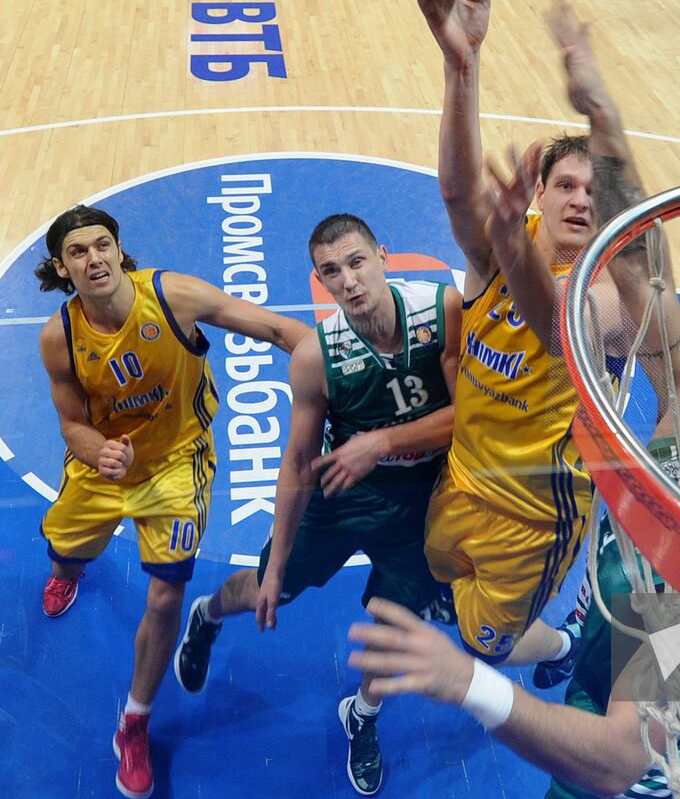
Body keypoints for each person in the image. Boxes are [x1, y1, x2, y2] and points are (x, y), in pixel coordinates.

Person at [346, 2, 680, 798]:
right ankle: (565, 637)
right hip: (528, 553)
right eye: (565, 186)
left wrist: (466, 684)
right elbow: (648, 271)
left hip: (645, 771)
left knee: (515, 674)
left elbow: (619, 760)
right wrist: (603, 111)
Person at [169, 213, 461, 796]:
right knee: (262, 587)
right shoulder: (317, 356)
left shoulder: (442, 309)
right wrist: (276, 565)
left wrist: (381, 442)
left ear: (383, 254)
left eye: (356, 263)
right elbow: (299, 464)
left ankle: (363, 714)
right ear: (320, 280)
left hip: (423, 500)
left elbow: (473, 420)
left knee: (395, 623)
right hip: (342, 496)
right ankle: (207, 613)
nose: (349, 281)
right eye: (332, 272)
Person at [35, 204, 309, 799]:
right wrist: (97, 450)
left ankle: (133, 721)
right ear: (62, 268)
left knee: (165, 596)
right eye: (78, 252)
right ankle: (68, 569)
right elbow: (71, 424)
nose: (94, 259)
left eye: (102, 245)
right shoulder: (59, 337)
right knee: (65, 552)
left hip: (176, 465)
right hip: (103, 465)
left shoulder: (171, 296)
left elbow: (278, 330)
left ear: (118, 250)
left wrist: (341, 363)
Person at [402, 0, 631, 673]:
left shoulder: (612, 291)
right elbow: (455, 190)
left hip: (535, 520)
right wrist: (459, 64)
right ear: (540, 192)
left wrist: (505, 245)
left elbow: (557, 324)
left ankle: (563, 644)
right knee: (439, 576)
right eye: (566, 184)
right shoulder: (509, 238)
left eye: (594, 191)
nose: (580, 200)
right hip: (461, 479)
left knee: (482, 647)